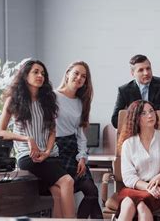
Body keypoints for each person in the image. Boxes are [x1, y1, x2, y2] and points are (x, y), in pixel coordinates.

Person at [0, 59, 75, 218]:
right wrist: (27, 139)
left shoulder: (48, 100)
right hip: (28, 156)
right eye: (36, 72)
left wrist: (47, 151)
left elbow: (52, 130)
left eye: (43, 73)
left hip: (49, 155)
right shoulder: (14, 100)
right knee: (67, 182)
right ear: (25, 75)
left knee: (58, 193)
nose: (40, 76)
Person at [54, 61, 103, 219]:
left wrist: (82, 157)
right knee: (91, 192)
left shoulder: (82, 102)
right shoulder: (53, 96)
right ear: (68, 73)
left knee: (92, 192)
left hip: (73, 149)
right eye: (76, 73)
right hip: (56, 148)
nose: (79, 78)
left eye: (84, 76)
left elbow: (81, 134)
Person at [117, 100, 160, 221]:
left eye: (151, 111)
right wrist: (149, 187)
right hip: (135, 187)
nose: (150, 115)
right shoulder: (128, 143)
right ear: (135, 118)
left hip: (158, 189)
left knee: (142, 207)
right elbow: (128, 177)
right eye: (143, 113)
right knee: (127, 205)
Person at [111, 54, 160, 128]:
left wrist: (150, 108)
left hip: (158, 128)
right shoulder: (124, 90)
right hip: (135, 131)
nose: (146, 73)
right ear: (132, 73)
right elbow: (115, 120)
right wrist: (137, 115)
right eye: (141, 70)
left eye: (148, 68)